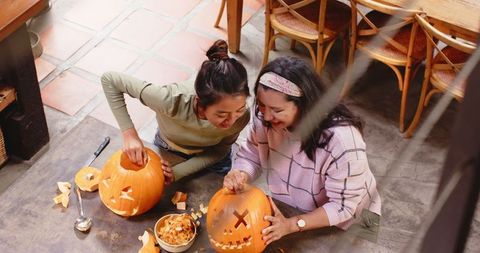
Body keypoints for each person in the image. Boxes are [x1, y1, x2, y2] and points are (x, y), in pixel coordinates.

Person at [223, 56, 381, 244]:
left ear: (304, 105)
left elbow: (343, 207)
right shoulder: (264, 116)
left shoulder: (343, 141)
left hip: (351, 220)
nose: (265, 115)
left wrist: (292, 225)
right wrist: (241, 173)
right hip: (298, 206)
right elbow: (251, 153)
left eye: (276, 110)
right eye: (262, 105)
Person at [101, 40, 250, 184]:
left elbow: (219, 151)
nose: (231, 121)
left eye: (239, 110)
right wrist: (129, 135)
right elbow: (110, 80)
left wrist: (178, 172)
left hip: (211, 155)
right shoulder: (170, 100)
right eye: (222, 115)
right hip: (169, 146)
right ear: (200, 104)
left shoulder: (242, 117)